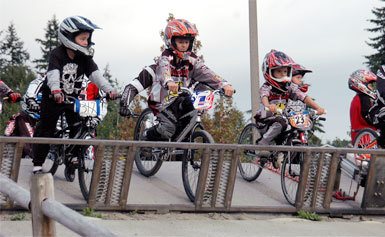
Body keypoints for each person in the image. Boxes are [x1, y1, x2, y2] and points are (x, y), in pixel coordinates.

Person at [120, 18, 234, 142]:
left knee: (197, 101)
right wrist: (124, 104)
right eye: (180, 41)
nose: (184, 45)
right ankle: (146, 137)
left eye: (187, 42)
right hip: (162, 104)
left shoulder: (192, 63)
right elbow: (136, 85)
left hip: (180, 102)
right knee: (169, 128)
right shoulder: (160, 64)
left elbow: (208, 73)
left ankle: (186, 146)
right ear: (171, 41)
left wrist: (224, 85)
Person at [32, 16, 118, 173]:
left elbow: (96, 76)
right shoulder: (57, 54)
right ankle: (37, 163)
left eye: (87, 38)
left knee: (78, 126)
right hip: (52, 97)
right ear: (69, 37)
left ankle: (72, 156)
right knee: (47, 128)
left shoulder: (85, 58)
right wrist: (56, 90)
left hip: (72, 99)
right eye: (83, 39)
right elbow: (53, 74)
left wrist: (109, 90)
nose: (86, 42)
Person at [254, 50, 325, 157]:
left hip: (282, 114)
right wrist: (268, 106)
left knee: (293, 125)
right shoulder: (266, 87)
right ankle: (262, 143)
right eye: (278, 72)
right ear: (269, 72)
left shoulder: (290, 87)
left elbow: (303, 96)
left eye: (285, 72)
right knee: (281, 122)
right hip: (266, 115)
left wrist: (318, 108)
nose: (283, 74)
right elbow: (264, 96)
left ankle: (282, 153)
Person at [348, 69, 377, 144]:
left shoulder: (358, 98)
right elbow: (367, 117)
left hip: (360, 137)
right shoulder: (364, 98)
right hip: (367, 139)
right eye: (370, 85)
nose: (373, 88)